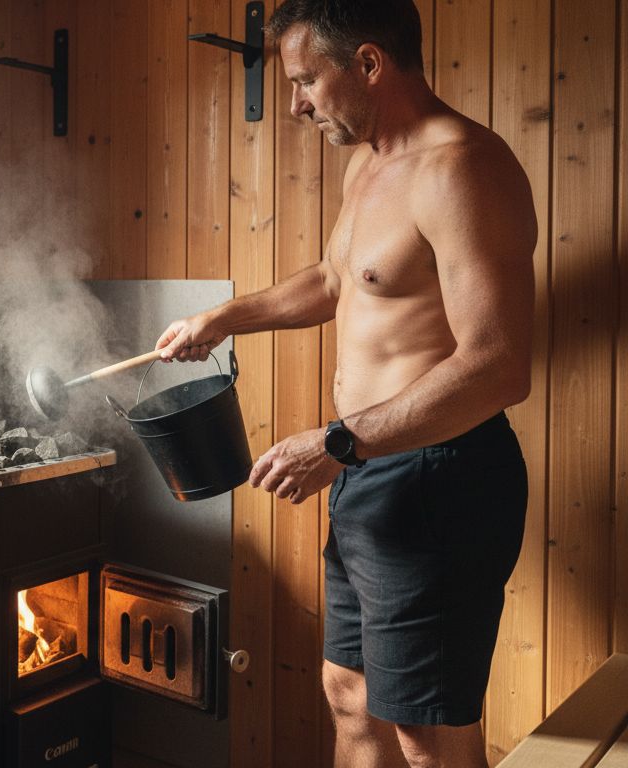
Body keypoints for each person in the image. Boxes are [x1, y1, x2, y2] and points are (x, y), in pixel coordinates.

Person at [154, 1, 536, 766]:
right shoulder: (370, 163)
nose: (295, 104)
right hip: (370, 473)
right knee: (349, 696)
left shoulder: (460, 167)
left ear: (368, 63)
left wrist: (337, 441)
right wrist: (224, 317)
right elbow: (338, 279)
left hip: (440, 478)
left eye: (305, 82)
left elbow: (498, 364)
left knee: (427, 735)